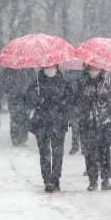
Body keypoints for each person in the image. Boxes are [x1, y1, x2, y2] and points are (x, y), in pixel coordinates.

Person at [26, 65, 72, 193]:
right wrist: (38, 99)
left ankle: (55, 179)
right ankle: (47, 180)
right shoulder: (37, 82)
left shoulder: (63, 82)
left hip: (59, 122)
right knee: (44, 153)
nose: (49, 68)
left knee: (57, 153)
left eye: (51, 65)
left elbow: (70, 101)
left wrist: (61, 105)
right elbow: (29, 101)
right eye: (46, 66)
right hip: (41, 122)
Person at [74, 65, 111, 191]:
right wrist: (86, 98)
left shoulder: (108, 81)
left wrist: (106, 97)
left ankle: (105, 179)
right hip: (87, 122)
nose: (94, 70)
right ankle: (92, 180)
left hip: (104, 122)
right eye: (91, 68)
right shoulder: (82, 81)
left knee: (104, 151)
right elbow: (76, 99)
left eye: (96, 67)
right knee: (89, 153)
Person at [2, 68, 34, 146]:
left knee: (24, 119)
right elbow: (4, 85)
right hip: (16, 100)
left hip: (25, 100)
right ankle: (16, 139)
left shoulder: (29, 70)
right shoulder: (9, 71)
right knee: (16, 119)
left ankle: (21, 139)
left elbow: (34, 84)